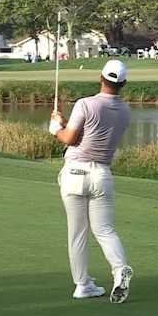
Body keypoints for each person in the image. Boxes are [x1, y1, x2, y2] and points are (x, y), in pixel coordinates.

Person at [49, 59, 134, 303]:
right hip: (101, 175)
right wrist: (64, 125)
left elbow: (69, 139)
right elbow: (91, 135)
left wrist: (56, 128)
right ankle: (119, 271)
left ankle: (82, 284)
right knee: (105, 230)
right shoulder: (125, 112)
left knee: (77, 233)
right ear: (123, 84)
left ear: (100, 78)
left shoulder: (85, 104)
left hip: (75, 173)